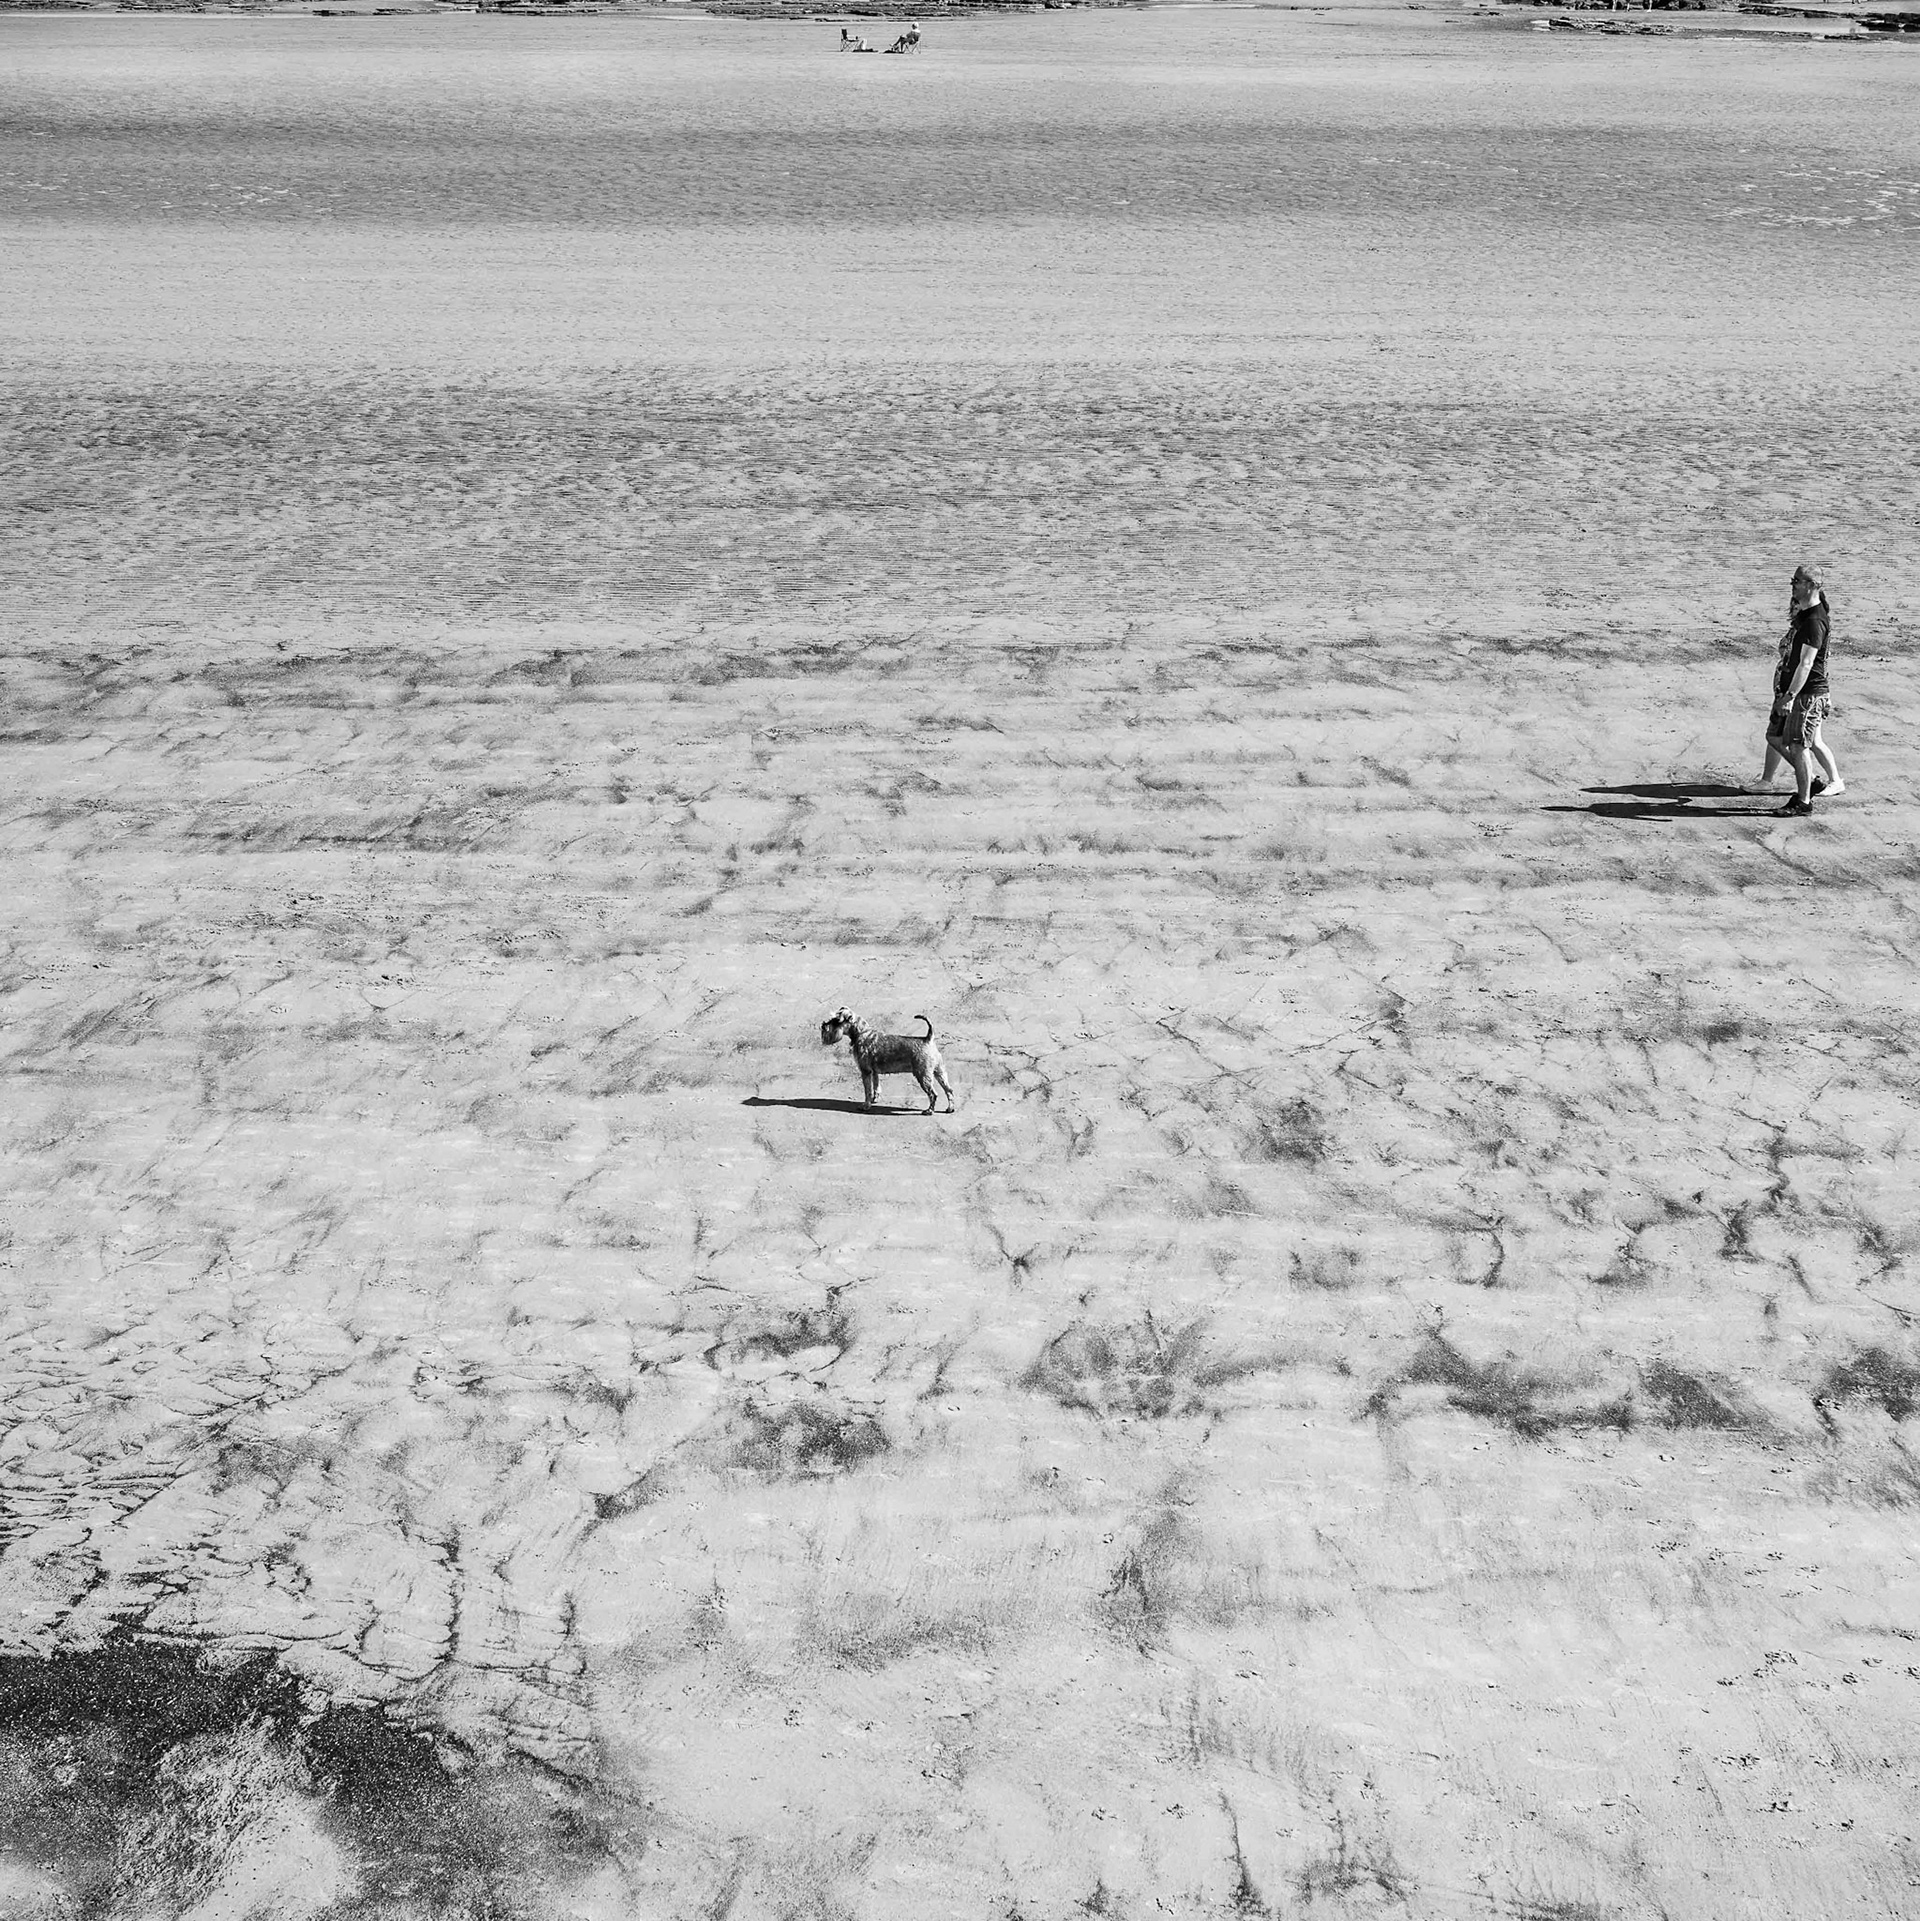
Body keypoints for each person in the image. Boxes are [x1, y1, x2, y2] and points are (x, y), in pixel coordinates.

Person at [1762, 565, 1842, 817]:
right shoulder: (1805, 616)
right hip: (1793, 691)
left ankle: (1803, 801)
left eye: (1796, 581)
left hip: (1807, 694)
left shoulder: (1815, 621)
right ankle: (1811, 782)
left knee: (1800, 745)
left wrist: (1790, 696)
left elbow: (1807, 664)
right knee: (1775, 737)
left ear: (1811, 585)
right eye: (1793, 580)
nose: (1792, 585)